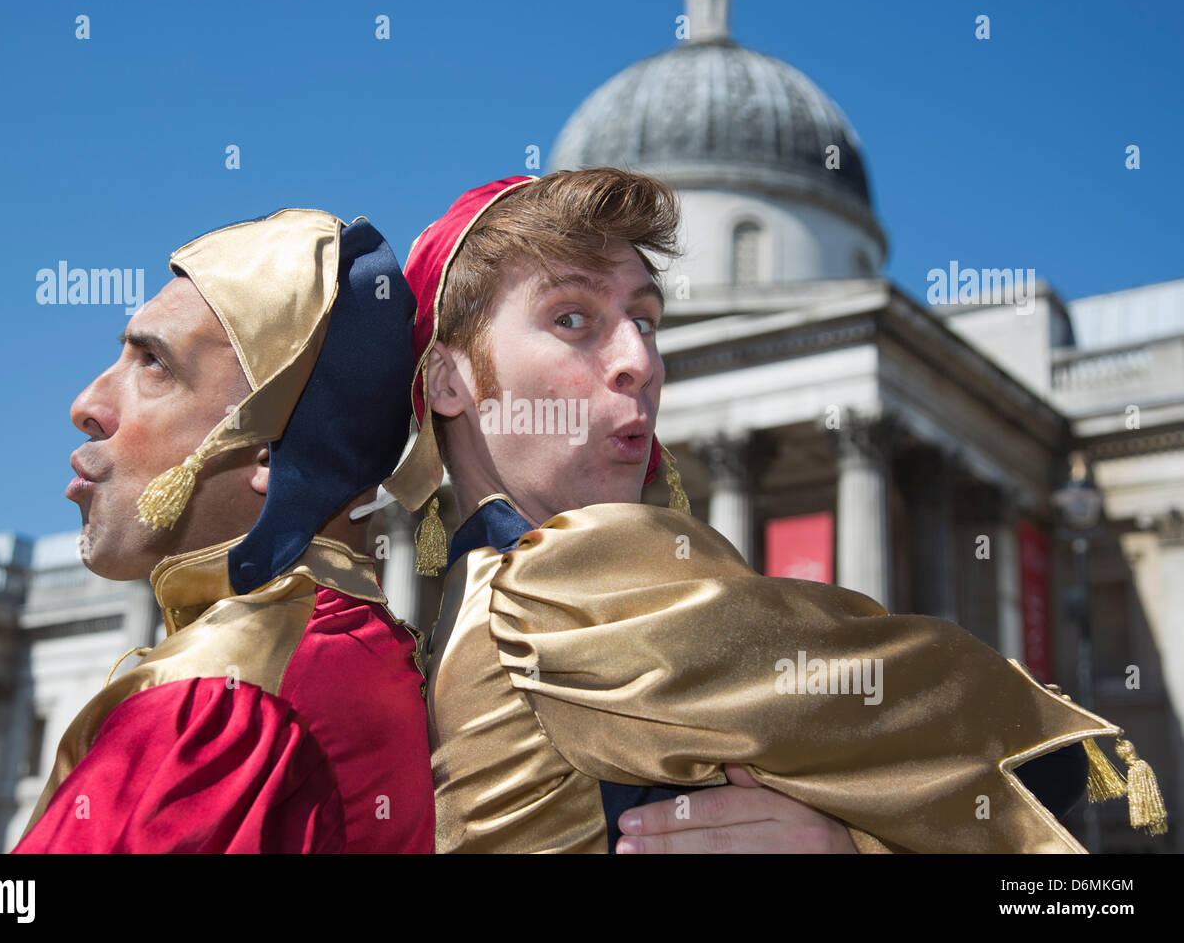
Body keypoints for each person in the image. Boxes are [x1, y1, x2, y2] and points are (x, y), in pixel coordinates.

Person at [374, 169, 1166, 853]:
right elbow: (1007, 753)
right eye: (572, 317)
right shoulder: (557, 586)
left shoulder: (455, 610)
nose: (640, 363)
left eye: (647, 320)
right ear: (448, 382)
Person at [13, 209, 435, 852]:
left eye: (154, 364)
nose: (87, 405)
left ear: (269, 453)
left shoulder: (219, 701)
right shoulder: (361, 658)